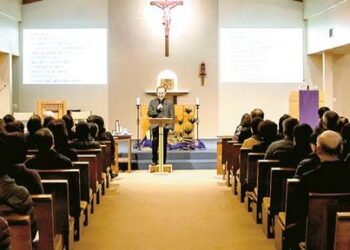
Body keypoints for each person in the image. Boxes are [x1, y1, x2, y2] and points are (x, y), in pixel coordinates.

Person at [147, 86, 174, 165]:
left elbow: (172, 115)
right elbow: (149, 113)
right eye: (159, 93)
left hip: (165, 126)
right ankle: (154, 161)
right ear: (157, 93)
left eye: (162, 93)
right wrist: (157, 110)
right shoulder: (152, 102)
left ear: (165, 93)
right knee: (155, 145)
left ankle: (163, 162)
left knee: (164, 145)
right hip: (155, 126)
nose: (160, 94)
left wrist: (171, 126)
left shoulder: (169, 102)